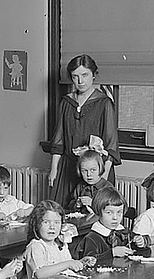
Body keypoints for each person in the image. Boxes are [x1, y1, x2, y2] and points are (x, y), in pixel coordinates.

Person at [49, 54, 120, 208]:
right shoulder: (67, 102)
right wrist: (54, 169)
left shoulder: (104, 103)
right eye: (75, 76)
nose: (80, 81)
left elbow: (111, 144)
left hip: (97, 171)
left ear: (94, 75)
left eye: (85, 75)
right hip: (68, 169)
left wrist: (103, 177)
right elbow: (58, 140)